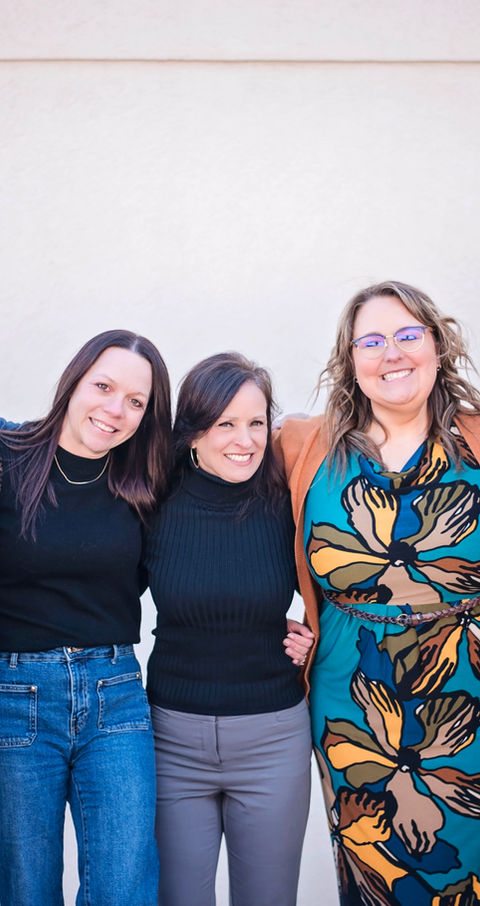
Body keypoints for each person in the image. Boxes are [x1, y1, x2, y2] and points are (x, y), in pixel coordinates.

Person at [275, 280, 480, 905]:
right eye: (372, 340)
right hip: (351, 704)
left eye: (407, 335)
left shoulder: (476, 437)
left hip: (465, 696)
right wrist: (265, 625)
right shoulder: (302, 446)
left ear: (437, 347)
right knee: (372, 875)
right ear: (351, 360)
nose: (392, 352)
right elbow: (213, 502)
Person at [0, 329, 172, 906]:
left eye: (135, 401)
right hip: (14, 696)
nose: (114, 410)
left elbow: (245, 453)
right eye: (103, 386)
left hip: (115, 693)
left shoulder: (144, 482)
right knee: (25, 888)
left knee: (125, 888)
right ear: (74, 382)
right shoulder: (8, 455)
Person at [144, 352, 313, 906]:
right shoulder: (151, 501)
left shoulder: (288, 500)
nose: (245, 439)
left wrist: (315, 631)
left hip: (273, 741)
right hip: (170, 742)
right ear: (193, 433)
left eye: (257, 422)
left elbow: (342, 580)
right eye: (225, 424)